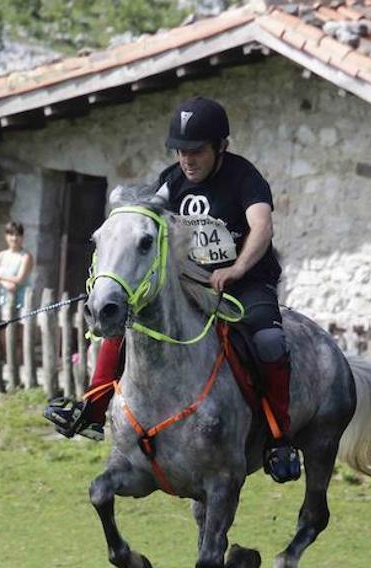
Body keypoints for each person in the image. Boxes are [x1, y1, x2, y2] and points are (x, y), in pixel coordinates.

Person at [43, 96, 300, 483]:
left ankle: (279, 440)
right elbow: (141, 223)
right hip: (189, 282)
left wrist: (237, 268)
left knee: (268, 342)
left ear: (221, 147)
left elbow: (261, 227)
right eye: (180, 151)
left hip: (246, 281)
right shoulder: (170, 181)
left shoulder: (245, 178)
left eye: (196, 151)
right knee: (127, 323)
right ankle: (93, 411)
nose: (187, 160)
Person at [0, 221, 34, 311]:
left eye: (17, 235)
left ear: (22, 237)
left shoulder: (26, 256)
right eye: (11, 235)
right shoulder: (2, 255)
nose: (14, 238)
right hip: (1, 302)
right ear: (6, 236)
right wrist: (3, 283)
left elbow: (19, 279)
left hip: (20, 305)